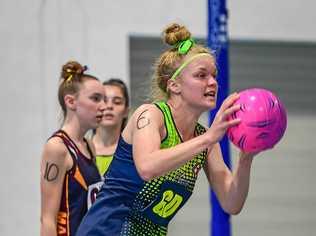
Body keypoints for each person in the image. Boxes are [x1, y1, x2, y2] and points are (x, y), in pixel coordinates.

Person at [76, 23, 258, 236]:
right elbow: (147, 166)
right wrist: (209, 138)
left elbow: (231, 203)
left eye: (214, 76)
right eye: (201, 75)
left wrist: (246, 158)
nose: (212, 83)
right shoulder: (151, 115)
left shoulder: (204, 139)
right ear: (174, 85)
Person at [40, 61, 106, 236]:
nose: (104, 106)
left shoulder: (89, 145)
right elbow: (47, 218)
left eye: (104, 99)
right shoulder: (57, 148)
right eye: (96, 98)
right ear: (71, 101)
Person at [92, 78, 130, 176]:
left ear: (126, 111)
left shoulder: (133, 153)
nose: (109, 106)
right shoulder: (80, 151)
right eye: (104, 101)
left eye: (117, 102)